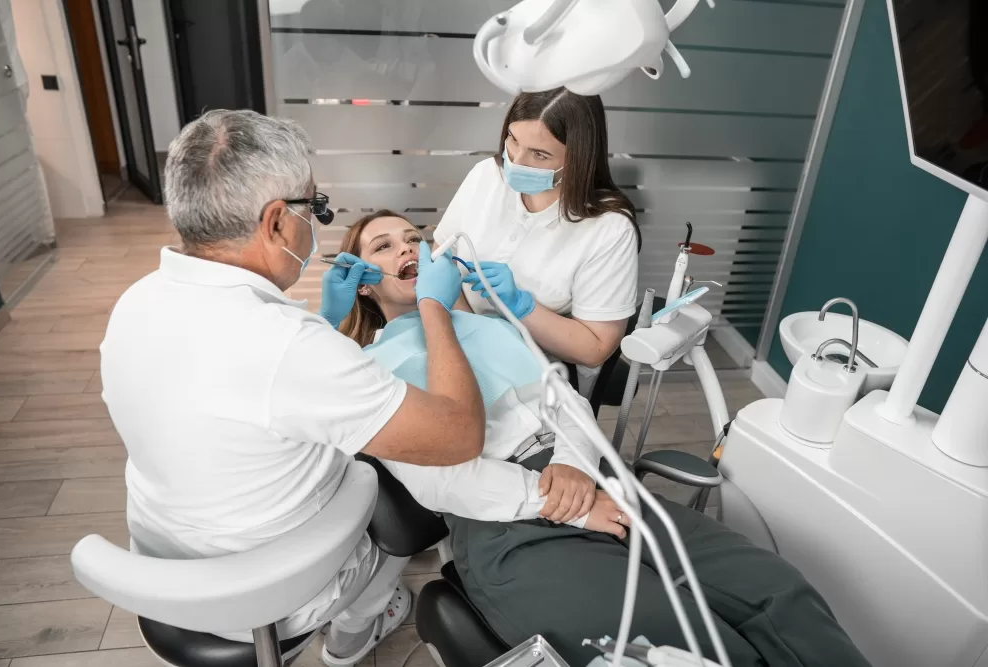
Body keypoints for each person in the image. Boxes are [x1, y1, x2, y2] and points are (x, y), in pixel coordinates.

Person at [341, 211, 873, 667]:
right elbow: (441, 484)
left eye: (415, 237)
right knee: (684, 646)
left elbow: (564, 400)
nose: (408, 247)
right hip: (507, 523)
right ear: (363, 282)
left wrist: (575, 465)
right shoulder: (369, 371)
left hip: (600, 481)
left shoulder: (492, 328)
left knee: (780, 591)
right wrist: (565, 506)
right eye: (384, 247)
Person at [99, 110, 486, 667]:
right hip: (265, 593)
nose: (317, 223)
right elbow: (461, 435)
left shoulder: (136, 302)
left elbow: (257, 385)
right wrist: (436, 307)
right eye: (315, 207)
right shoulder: (293, 349)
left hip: (164, 568)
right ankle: (355, 630)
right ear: (278, 221)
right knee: (404, 499)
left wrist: (325, 325)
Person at [434, 88, 641, 400]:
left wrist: (523, 305)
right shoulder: (487, 176)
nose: (516, 161)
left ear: (579, 158)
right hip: (460, 337)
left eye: (539, 154)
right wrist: (473, 330)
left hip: (537, 372)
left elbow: (595, 347)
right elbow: (442, 257)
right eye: (513, 139)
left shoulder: (609, 229)